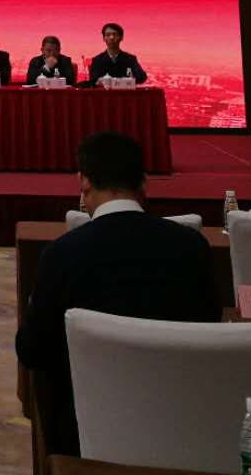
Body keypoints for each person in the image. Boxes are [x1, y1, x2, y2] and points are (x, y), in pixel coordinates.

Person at [15, 131, 217, 456]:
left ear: (84, 183)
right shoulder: (193, 246)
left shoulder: (62, 254)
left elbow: (32, 351)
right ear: (143, 183)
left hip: (83, 436)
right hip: (182, 426)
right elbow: (210, 325)